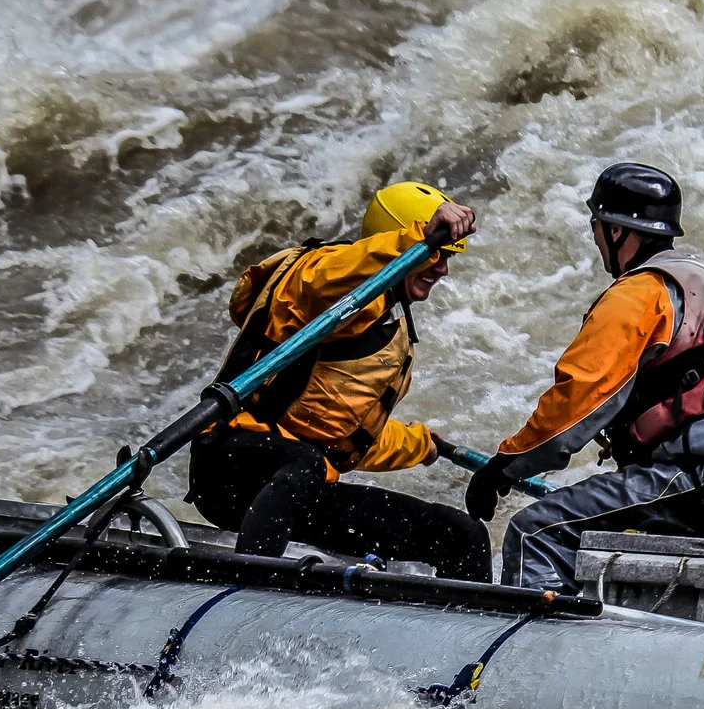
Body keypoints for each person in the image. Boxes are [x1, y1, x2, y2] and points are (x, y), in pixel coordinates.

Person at [466, 163, 704, 590]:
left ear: (615, 231)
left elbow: (576, 405)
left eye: (596, 225)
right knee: (615, 530)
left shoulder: (639, 293)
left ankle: (527, 645)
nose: (595, 239)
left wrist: (503, 468)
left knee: (535, 530)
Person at [187, 182, 492, 580]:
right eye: (436, 254)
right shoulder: (322, 284)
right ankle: (248, 590)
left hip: (298, 488)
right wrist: (417, 238)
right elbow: (329, 280)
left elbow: (340, 432)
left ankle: (470, 633)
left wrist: (418, 444)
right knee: (305, 461)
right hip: (230, 467)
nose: (442, 268)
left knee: (463, 536)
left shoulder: (385, 323)